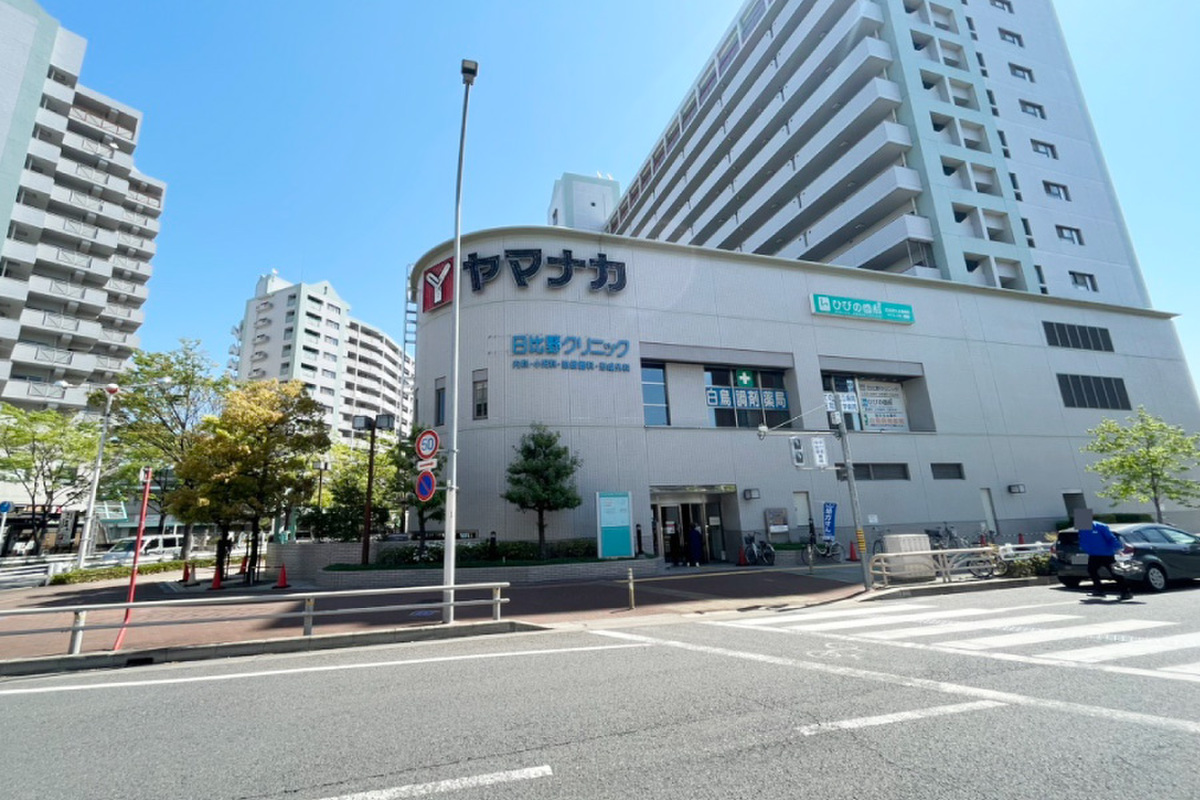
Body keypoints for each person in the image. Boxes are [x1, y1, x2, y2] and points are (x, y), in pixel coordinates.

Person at [1079, 520, 1133, 601]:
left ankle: (1126, 592)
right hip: (1094, 554)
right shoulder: (1082, 528)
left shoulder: (1101, 527)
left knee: (1115, 572)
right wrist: (1084, 549)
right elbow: (1083, 539)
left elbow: (1111, 538)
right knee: (1091, 570)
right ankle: (1099, 590)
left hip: (1106, 554)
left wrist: (1118, 549)